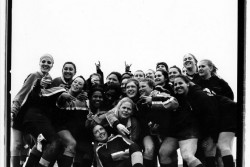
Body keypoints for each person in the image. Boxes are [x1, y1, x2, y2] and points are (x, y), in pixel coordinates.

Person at [10, 54, 55, 167]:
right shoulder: (34, 76)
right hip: (22, 113)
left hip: (35, 118)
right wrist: (14, 110)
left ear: (52, 65)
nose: (46, 64)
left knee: (39, 143)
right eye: (43, 61)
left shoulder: (51, 81)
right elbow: (22, 93)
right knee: (17, 144)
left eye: (49, 62)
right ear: (39, 63)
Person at [196, 59, 236, 167]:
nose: (200, 69)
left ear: (211, 68)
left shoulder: (220, 83)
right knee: (209, 149)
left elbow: (230, 100)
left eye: (203, 66)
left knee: (223, 147)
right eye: (199, 67)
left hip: (223, 119)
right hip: (209, 121)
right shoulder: (197, 84)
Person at [173, 75, 218, 167]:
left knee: (190, 155)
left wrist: (209, 136)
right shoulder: (182, 98)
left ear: (188, 84)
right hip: (196, 131)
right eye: (175, 84)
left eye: (180, 83)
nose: (177, 86)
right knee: (190, 157)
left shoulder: (199, 95)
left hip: (210, 131)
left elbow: (211, 115)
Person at [52, 76, 93, 167]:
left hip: (75, 131)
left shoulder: (85, 101)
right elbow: (59, 102)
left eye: (80, 84)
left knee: (86, 149)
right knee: (72, 144)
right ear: (71, 83)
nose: (76, 84)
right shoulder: (63, 94)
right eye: (75, 82)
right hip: (60, 128)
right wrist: (63, 96)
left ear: (83, 88)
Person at [137, 78, 179, 167]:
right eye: (139, 87)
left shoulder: (161, 94)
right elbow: (143, 120)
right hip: (152, 133)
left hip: (169, 132)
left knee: (166, 154)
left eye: (143, 86)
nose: (140, 89)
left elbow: (174, 104)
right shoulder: (140, 103)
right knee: (150, 151)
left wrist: (152, 101)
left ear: (152, 87)